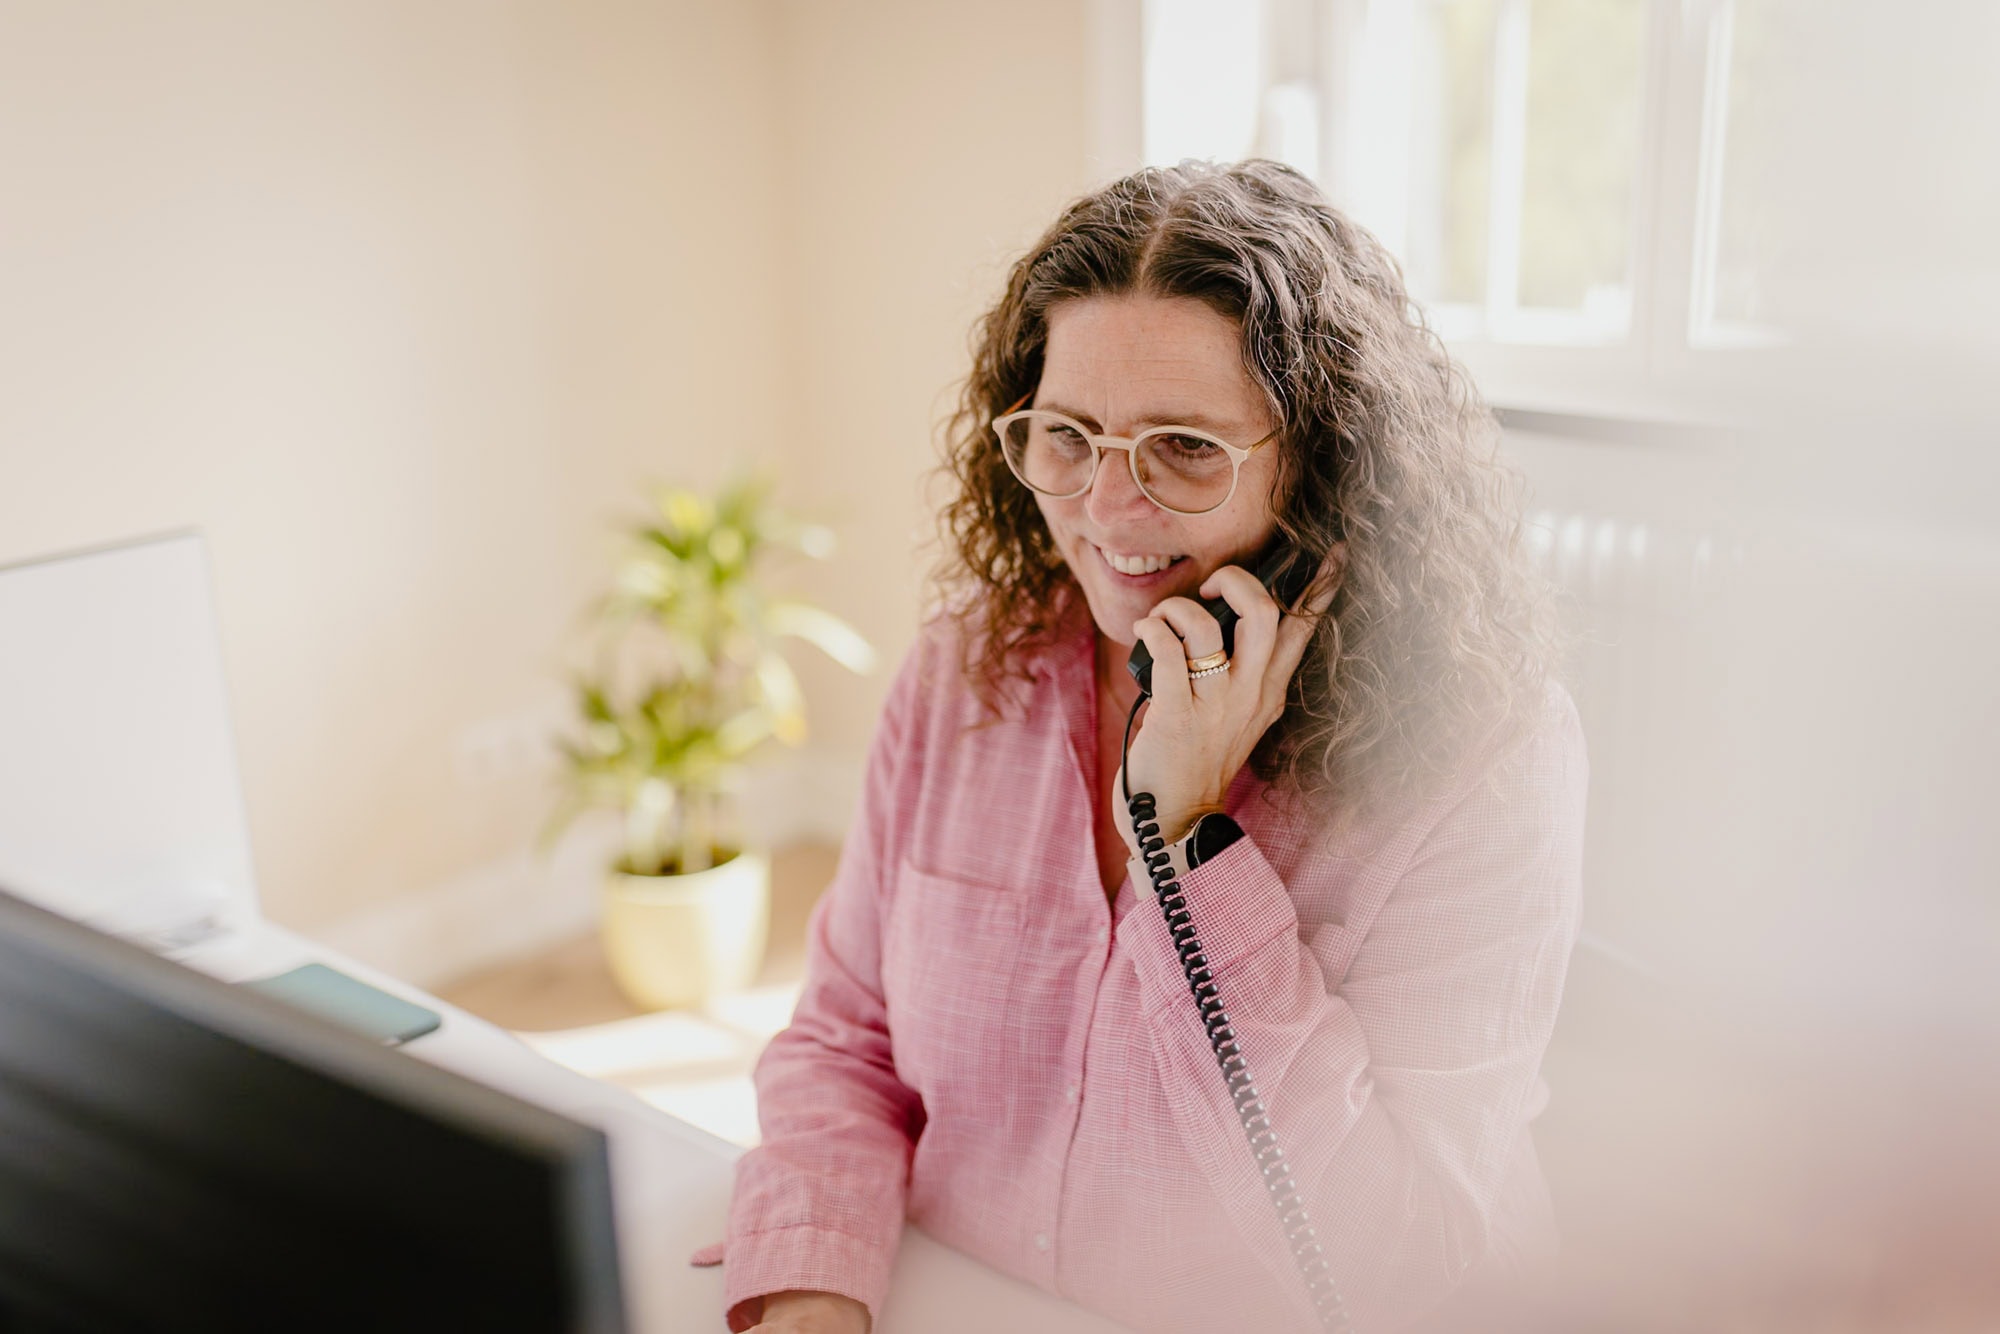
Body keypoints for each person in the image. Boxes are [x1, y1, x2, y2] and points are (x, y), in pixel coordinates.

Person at [691, 159, 1586, 1333]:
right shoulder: (972, 668)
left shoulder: (1487, 756)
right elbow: (844, 1038)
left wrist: (1190, 843)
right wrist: (813, 1290)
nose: (1108, 512)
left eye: (1183, 448)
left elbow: (1402, 1265)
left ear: (1321, 464)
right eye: (1067, 436)